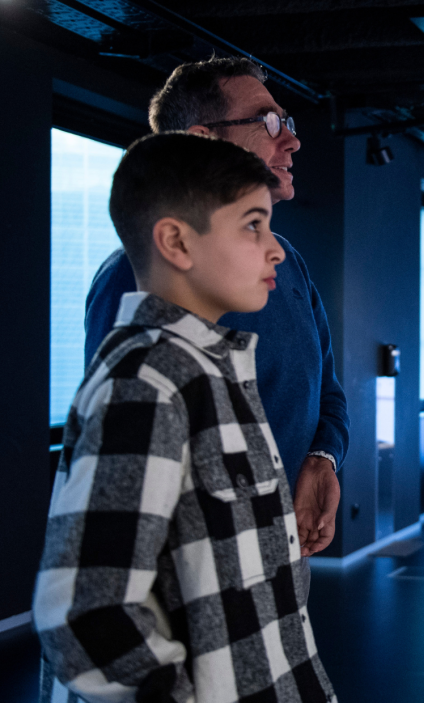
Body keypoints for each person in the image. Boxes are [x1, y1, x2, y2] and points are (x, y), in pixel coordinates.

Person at [34, 133, 337, 703]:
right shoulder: (144, 383)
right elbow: (88, 614)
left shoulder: (214, 370)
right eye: (253, 225)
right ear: (175, 241)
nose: (275, 250)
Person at [84, 57, 348, 560]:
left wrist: (322, 458)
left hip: (284, 552)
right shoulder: (135, 275)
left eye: (287, 123)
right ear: (205, 140)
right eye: (268, 122)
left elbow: (326, 392)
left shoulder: (288, 263)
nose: (291, 140)